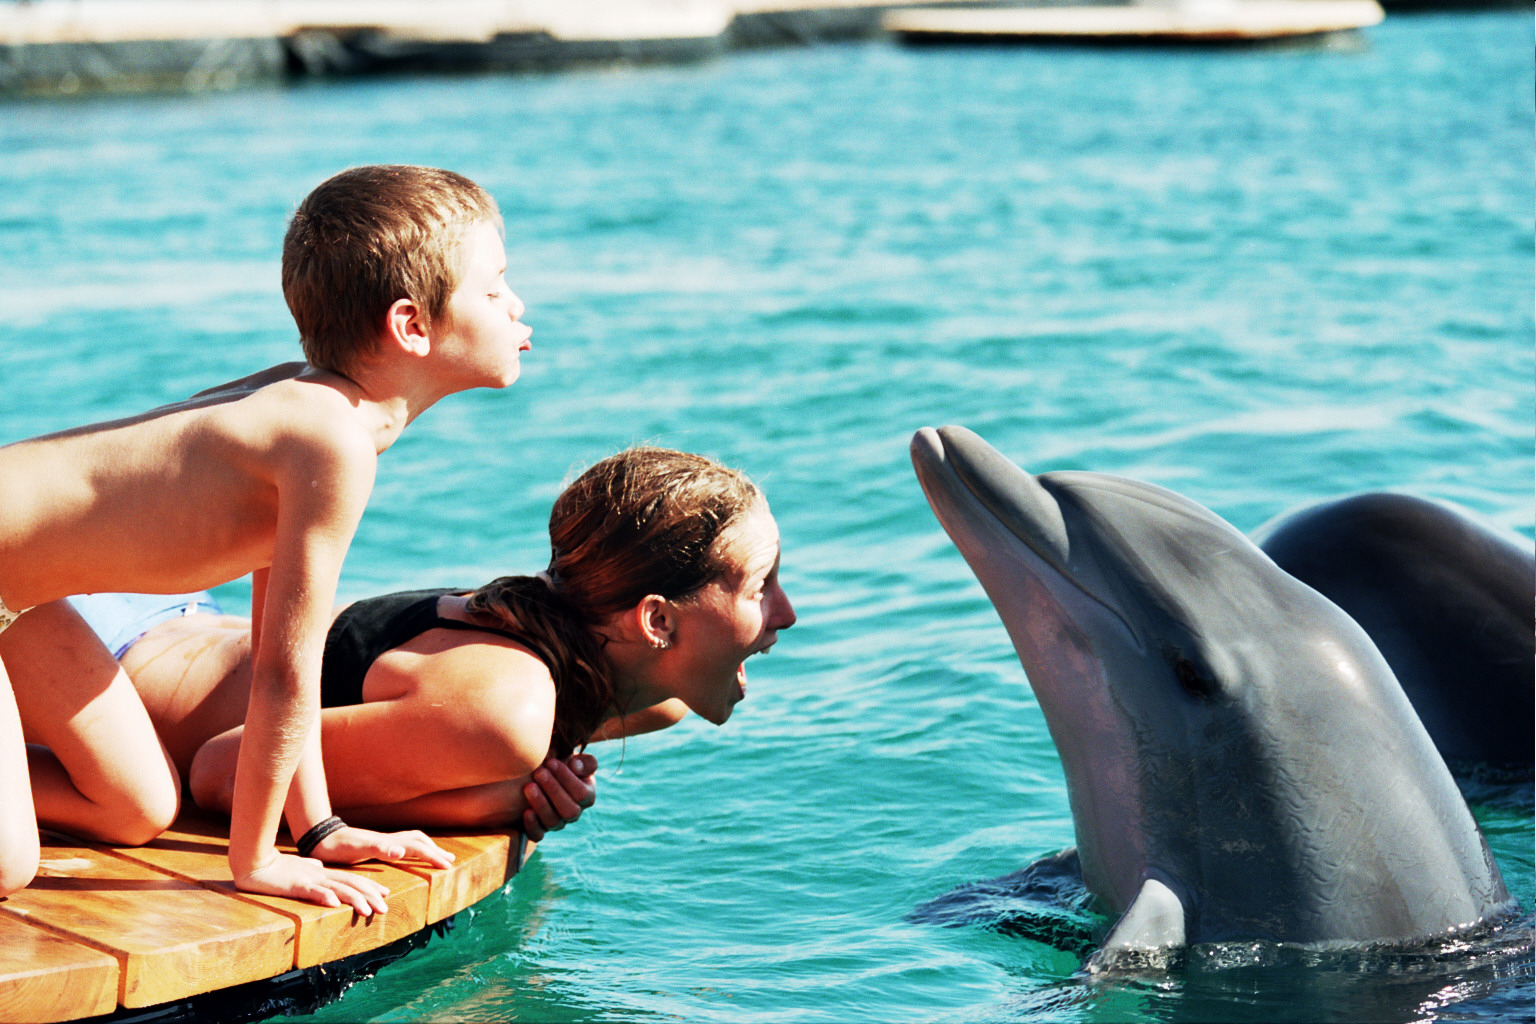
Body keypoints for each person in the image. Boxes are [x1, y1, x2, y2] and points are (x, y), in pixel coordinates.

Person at [0, 165, 531, 912]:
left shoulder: (313, 410)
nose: (518, 307)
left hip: (20, 598)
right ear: (411, 325)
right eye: (496, 287)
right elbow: (285, 674)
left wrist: (315, 830)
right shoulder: (329, 442)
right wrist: (255, 862)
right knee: (7, 864)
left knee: (134, 807)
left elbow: (270, 646)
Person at [39, 447, 796, 840]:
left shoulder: (642, 699)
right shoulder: (505, 707)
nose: (787, 615)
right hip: (99, 656)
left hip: (163, 612)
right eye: (762, 587)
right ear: (656, 622)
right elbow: (223, 774)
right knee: (140, 805)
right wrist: (500, 801)